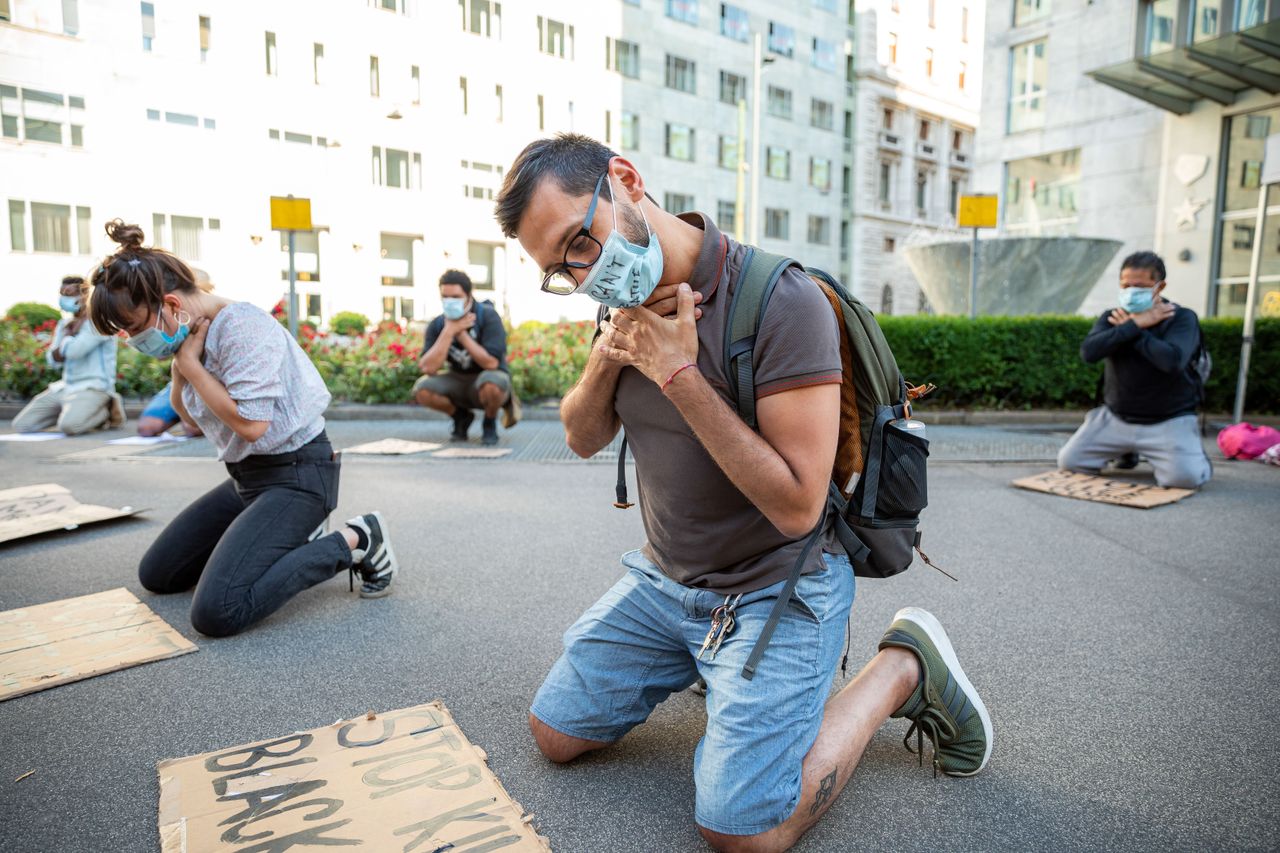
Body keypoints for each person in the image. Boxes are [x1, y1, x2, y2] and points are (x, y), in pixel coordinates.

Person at [494, 134, 991, 853]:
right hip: (666, 584)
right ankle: (717, 675)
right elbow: (579, 434)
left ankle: (901, 667)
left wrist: (677, 374)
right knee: (554, 732)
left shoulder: (781, 301)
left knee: (743, 831)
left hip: (775, 592)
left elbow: (796, 503)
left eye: (581, 242)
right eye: (560, 270)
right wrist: (611, 352)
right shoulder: (621, 298)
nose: (585, 273)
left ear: (626, 181)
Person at [87, 220, 400, 637]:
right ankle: (285, 537)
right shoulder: (189, 336)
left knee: (218, 611)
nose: (130, 338)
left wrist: (192, 366)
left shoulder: (243, 327)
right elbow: (184, 413)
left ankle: (358, 540)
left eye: (134, 327)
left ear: (170, 304)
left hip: (298, 476)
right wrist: (184, 363)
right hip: (247, 481)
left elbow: (252, 425)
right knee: (159, 574)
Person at [1058, 251, 1212, 489]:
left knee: (1184, 479)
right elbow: (1089, 353)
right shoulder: (1114, 316)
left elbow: (1172, 361)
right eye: (1125, 285)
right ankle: (1127, 451)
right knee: (1070, 462)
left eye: (1139, 286)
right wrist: (1135, 324)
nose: (1131, 291)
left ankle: (1192, 457)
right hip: (1116, 417)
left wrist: (1135, 332)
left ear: (1160, 286)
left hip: (1168, 419)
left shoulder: (1181, 318)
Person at [412, 269, 515, 445]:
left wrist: (462, 335)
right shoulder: (437, 324)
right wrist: (449, 330)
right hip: (457, 378)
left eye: (456, 297)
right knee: (422, 389)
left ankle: (489, 422)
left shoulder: (488, 316)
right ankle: (461, 417)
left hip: (487, 377)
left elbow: (491, 363)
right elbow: (428, 368)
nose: (450, 301)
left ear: (468, 296)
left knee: (492, 384)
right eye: (445, 297)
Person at [12, 275, 124, 435]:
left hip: (93, 388)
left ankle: (106, 410)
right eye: (62, 293)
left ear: (85, 296)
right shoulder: (64, 324)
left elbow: (74, 351)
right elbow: (53, 360)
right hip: (65, 387)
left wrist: (65, 340)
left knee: (70, 427)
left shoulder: (100, 322)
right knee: (22, 426)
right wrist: (67, 338)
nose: (64, 298)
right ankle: (73, 412)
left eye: (69, 294)